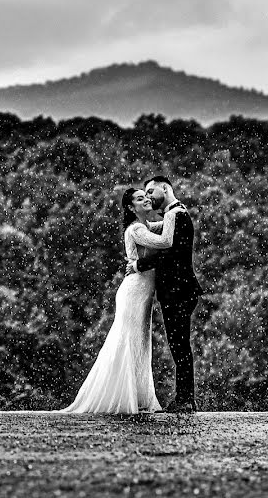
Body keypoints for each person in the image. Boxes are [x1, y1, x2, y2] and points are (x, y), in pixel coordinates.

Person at [60, 188, 177, 414]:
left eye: (146, 196)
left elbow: (158, 229)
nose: (146, 200)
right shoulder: (136, 229)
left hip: (142, 293)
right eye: (140, 199)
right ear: (132, 208)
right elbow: (165, 241)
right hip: (134, 292)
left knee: (140, 343)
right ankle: (126, 397)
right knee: (129, 342)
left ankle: (138, 396)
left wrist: (174, 210)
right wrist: (172, 214)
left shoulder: (143, 226)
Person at [126, 176, 204, 413]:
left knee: (179, 345)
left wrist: (140, 264)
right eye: (145, 194)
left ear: (165, 189)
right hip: (177, 289)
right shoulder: (175, 214)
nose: (149, 196)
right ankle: (184, 398)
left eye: (151, 191)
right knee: (178, 345)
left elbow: (169, 252)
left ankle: (185, 399)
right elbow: (155, 234)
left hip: (178, 290)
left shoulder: (176, 215)